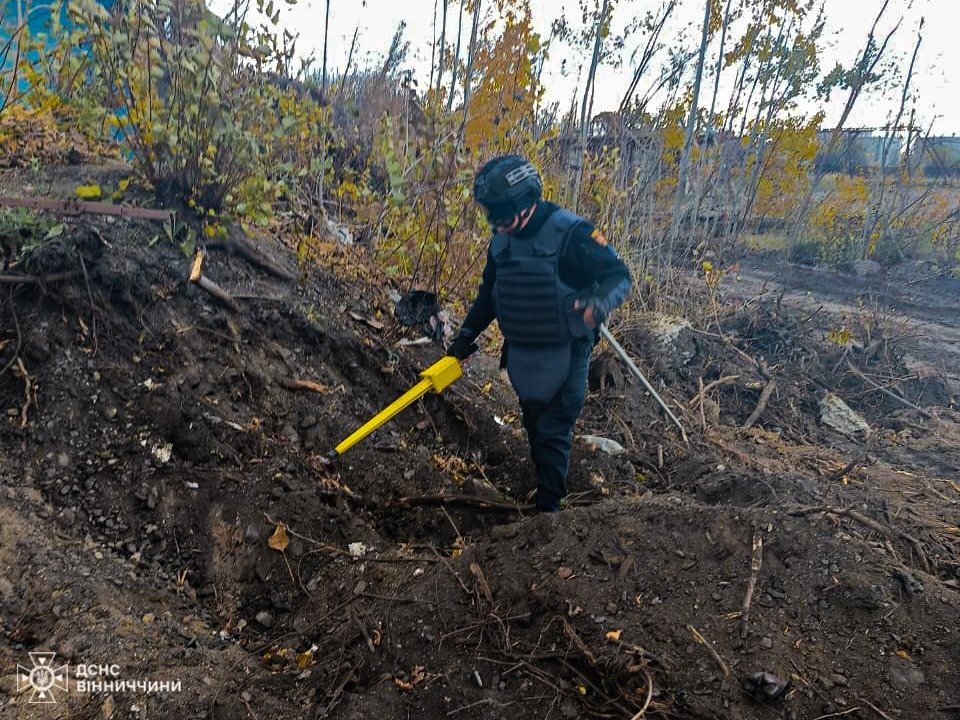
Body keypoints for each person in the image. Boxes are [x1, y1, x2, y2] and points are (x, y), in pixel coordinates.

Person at [446, 154, 632, 512]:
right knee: (534, 424)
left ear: (523, 203)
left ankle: (550, 513)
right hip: (523, 351)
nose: (494, 224)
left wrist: (598, 302)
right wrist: (463, 339)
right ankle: (547, 493)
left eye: (499, 215)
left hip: (567, 348)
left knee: (553, 429)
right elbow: (489, 295)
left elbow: (618, 275)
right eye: (490, 215)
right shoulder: (501, 242)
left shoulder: (574, 234)